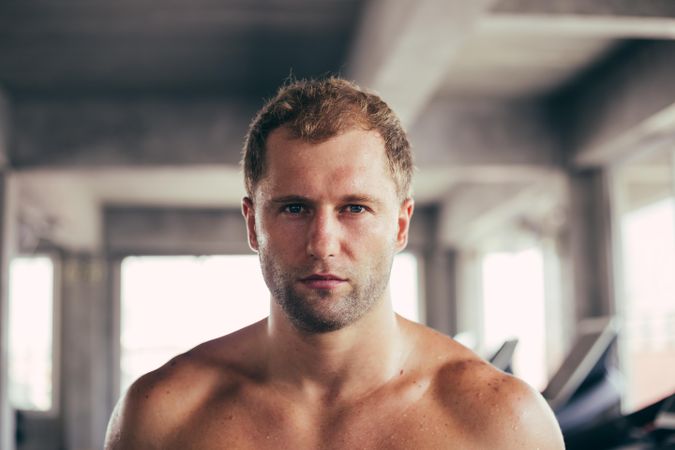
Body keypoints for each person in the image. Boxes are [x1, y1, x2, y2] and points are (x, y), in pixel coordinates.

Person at [104, 77, 565, 449]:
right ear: (252, 223)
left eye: (355, 208)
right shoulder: (163, 417)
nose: (323, 243)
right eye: (294, 208)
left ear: (401, 225)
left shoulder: (503, 425)